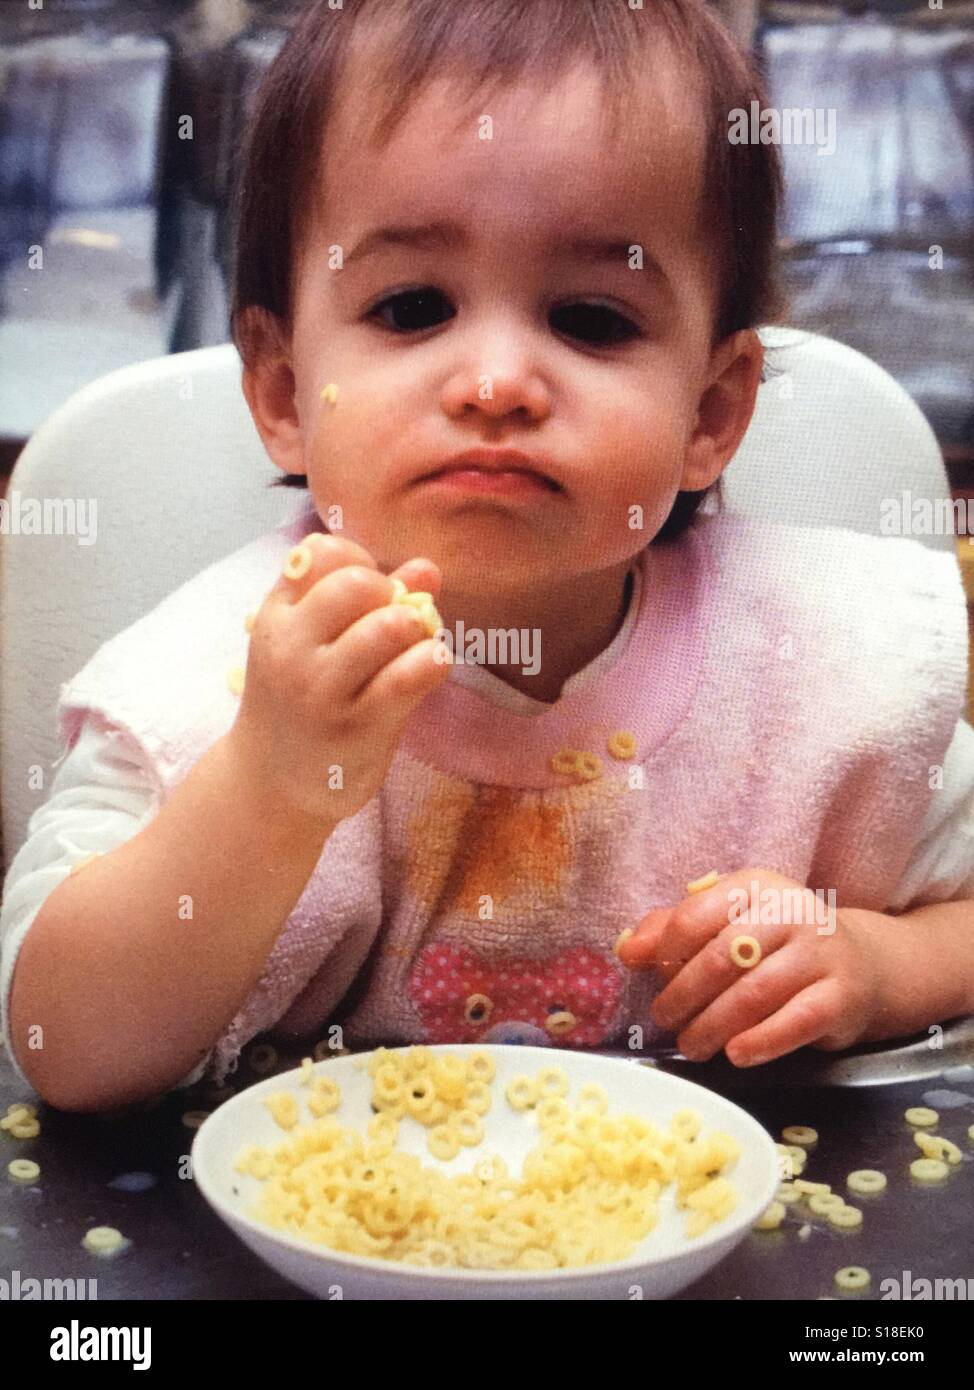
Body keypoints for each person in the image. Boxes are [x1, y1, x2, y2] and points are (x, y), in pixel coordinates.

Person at [3, 0, 972, 1112]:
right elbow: (59, 1042)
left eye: (592, 319)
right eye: (413, 307)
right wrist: (265, 791)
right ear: (280, 395)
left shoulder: (818, 671)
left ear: (708, 411)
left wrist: (876, 966)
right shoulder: (210, 687)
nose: (495, 380)